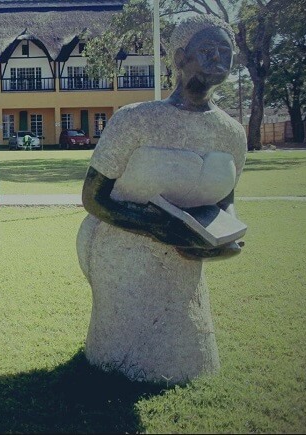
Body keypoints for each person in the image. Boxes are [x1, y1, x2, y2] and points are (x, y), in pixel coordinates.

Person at [76, 14, 247, 384]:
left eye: (225, 51)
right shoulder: (135, 120)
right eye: (206, 50)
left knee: (188, 360)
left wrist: (225, 240)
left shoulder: (231, 133)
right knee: (126, 359)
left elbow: (225, 203)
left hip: (187, 258)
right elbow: (93, 198)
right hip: (123, 251)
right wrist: (154, 226)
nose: (218, 59)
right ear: (180, 57)